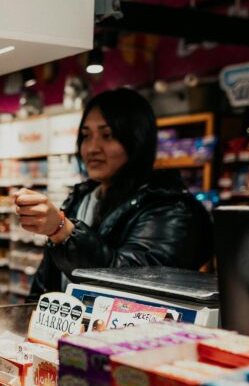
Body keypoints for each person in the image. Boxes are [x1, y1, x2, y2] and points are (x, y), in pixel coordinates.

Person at [14, 88, 213, 298]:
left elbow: (130, 285)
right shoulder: (81, 198)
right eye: (86, 135)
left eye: (107, 135)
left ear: (136, 139)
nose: (92, 148)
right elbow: (47, 281)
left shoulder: (171, 209)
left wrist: (62, 232)